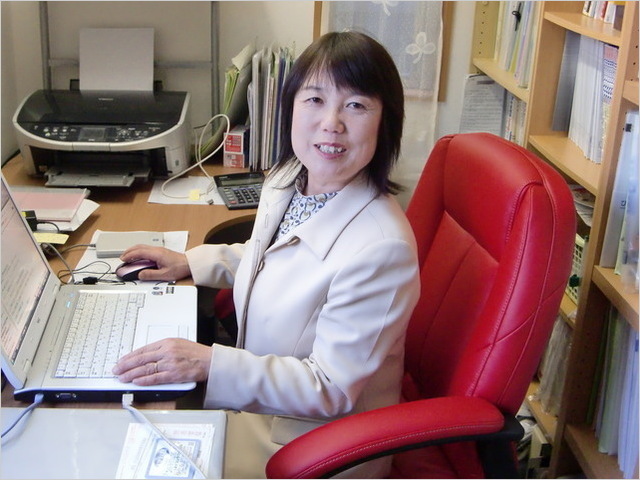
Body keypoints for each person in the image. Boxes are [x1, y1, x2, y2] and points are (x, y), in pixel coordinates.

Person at [113, 31, 420, 478]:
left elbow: (330, 388)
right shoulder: (291, 179)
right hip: (259, 407)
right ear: (291, 107)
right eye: (315, 99)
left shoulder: (382, 250)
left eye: (356, 105)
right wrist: (192, 261)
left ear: (384, 122)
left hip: (311, 444)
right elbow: (275, 258)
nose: (331, 122)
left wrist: (209, 362)